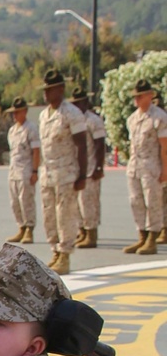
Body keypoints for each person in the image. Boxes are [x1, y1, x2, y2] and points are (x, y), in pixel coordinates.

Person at [38, 68, 88, 273]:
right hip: (48, 172)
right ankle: (55, 251)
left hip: (66, 172)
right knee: (49, 214)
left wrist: (83, 174)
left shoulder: (72, 114)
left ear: (61, 89)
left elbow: (82, 145)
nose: (46, 93)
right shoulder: (43, 115)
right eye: (45, 89)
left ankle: (65, 254)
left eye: (50, 89)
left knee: (65, 214)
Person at [124, 77, 167, 255]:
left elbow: (164, 146)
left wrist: (165, 169)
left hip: (152, 165)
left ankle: (152, 238)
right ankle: (141, 234)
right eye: (136, 96)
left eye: (140, 96)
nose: (137, 100)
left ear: (150, 96)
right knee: (136, 201)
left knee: (153, 201)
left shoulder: (159, 117)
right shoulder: (132, 119)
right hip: (135, 166)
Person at [69, 86, 106, 249]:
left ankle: (91, 234)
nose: (77, 106)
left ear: (85, 102)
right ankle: (82, 231)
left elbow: (100, 144)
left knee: (89, 203)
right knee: (77, 204)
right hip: (77, 169)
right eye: (74, 103)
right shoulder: (75, 120)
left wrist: (99, 167)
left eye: (79, 102)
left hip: (91, 168)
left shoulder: (93, 120)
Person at [4, 97, 40, 243]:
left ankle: (29, 229)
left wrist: (35, 171)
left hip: (26, 170)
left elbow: (36, 151)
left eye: (17, 112)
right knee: (14, 202)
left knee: (26, 201)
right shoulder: (12, 130)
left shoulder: (31, 129)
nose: (14, 115)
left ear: (24, 111)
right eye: (13, 112)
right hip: (14, 171)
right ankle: (21, 227)